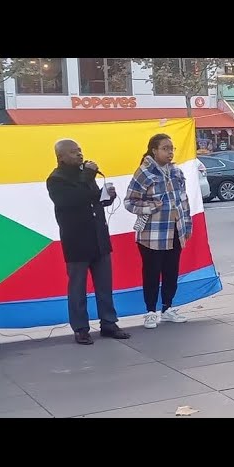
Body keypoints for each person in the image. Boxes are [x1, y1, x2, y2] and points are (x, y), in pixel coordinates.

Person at [46, 138, 131, 345]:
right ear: (61, 157)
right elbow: (71, 200)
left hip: (98, 236)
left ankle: (109, 323)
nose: (80, 154)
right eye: (74, 152)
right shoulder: (56, 179)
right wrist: (87, 176)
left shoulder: (86, 174)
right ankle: (81, 328)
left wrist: (107, 197)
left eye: (80, 150)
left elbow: (92, 198)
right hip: (76, 240)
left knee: (104, 285)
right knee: (77, 287)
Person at [124, 133, 192, 329]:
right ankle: (150, 312)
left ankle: (168, 308)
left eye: (172, 149)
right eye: (165, 148)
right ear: (154, 150)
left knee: (171, 272)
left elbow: (183, 200)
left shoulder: (176, 173)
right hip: (151, 235)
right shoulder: (144, 173)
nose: (170, 152)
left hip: (174, 232)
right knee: (152, 273)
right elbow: (129, 202)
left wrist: (186, 225)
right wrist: (151, 206)